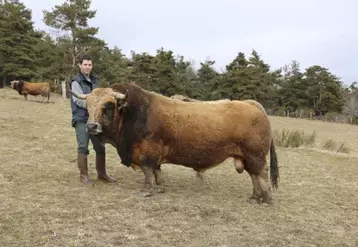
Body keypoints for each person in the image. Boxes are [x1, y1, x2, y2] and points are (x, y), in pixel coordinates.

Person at [69, 54, 116, 185]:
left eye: (89, 65)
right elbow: (78, 100)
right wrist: (95, 104)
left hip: (95, 119)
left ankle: (102, 174)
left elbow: (100, 96)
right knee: (83, 147)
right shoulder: (76, 81)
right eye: (85, 64)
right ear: (79, 65)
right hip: (81, 119)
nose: (87, 67)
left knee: (100, 146)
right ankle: (84, 176)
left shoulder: (95, 80)